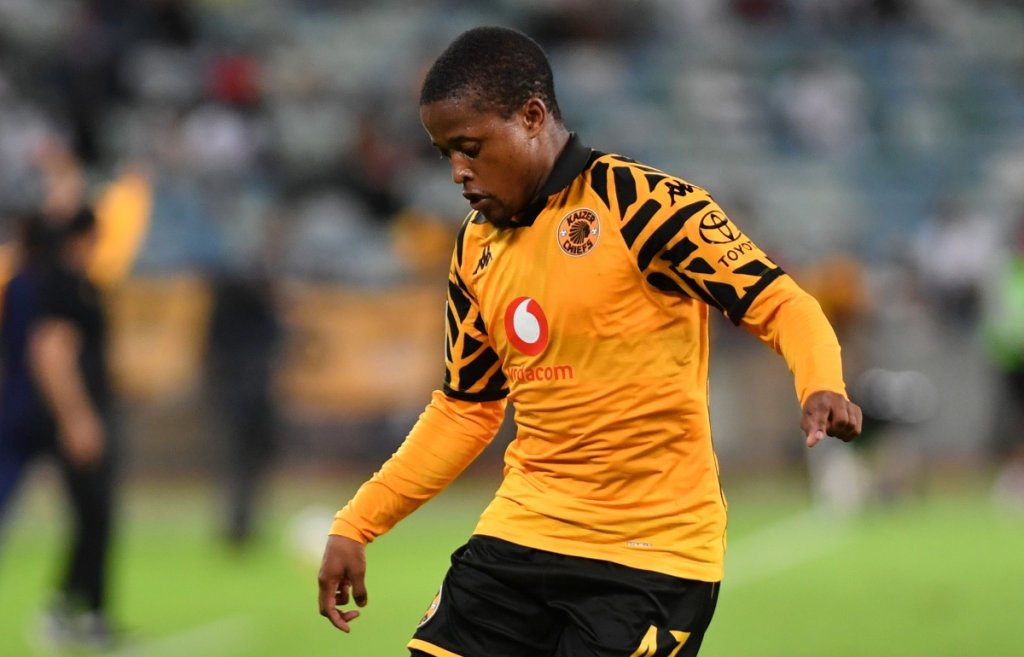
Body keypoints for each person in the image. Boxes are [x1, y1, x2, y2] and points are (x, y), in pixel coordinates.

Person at [317, 26, 862, 657]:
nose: (459, 172)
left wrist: (821, 379)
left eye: (470, 147)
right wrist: (359, 522)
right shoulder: (475, 246)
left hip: (652, 555)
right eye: (445, 154)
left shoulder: (647, 206)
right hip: (521, 535)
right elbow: (466, 408)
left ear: (531, 116)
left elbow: (779, 301)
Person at [0, 207, 118, 648]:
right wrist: (78, 418)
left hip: (17, 411)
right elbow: (51, 351)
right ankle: (79, 610)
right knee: (93, 511)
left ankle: (85, 610)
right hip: (41, 415)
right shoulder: (62, 287)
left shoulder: (18, 284)